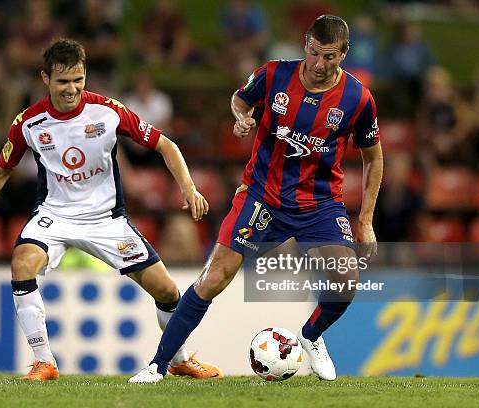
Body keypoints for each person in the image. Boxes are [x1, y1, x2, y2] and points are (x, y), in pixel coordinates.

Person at [0, 38, 222, 381]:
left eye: (79, 79)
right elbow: (1, 170)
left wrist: (189, 188)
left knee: (167, 292)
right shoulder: (28, 123)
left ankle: (179, 359)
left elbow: (164, 144)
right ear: (45, 78)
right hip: (55, 216)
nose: (72, 88)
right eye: (63, 81)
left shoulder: (108, 111)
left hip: (107, 220)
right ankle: (44, 361)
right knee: (21, 263)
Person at [130, 15, 383, 383]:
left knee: (345, 278)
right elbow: (239, 99)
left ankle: (311, 336)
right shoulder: (274, 74)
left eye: (329, 56)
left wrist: (366, 220)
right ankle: (157, 366)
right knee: (214, 277)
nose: (318, 64)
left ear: (344, 53)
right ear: (305, 46)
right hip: (262, 195)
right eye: (313, 53)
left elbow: (373, 157)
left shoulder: (358, 98)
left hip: (320, 204)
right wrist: (242, 117)